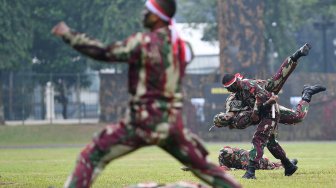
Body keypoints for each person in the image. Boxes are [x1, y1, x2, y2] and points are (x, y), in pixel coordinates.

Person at [52, 0, 241, 187]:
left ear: (157, 16)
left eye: (147, 11)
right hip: (172, 124)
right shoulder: (182, 48)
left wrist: (69, 35)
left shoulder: (143, 43)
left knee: (92, 156)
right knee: (205, 168)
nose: (143, 14)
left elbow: (103, 52)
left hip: (142, 122)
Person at [218, 44, 325, 179]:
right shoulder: (234, 96)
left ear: (235, 83)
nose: (228, 90)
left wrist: (257, 111)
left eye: (230, 87)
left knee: (259, 138)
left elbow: (267, 97)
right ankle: (288, 165)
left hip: (270, 109)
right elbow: (232, 114)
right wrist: (224, 119)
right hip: (265, 110)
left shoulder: (248, 85)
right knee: (275, 138)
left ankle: (250, 172)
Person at [218, 146, 297, 171]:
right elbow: (223, 168)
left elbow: (247, 168)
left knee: (272, 167)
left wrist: (233, 170)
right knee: (273, 164)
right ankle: (288, 162)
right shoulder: (221, 157)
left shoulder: (242, 154)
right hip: (252, 160)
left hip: (259, 161)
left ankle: (289, 163)